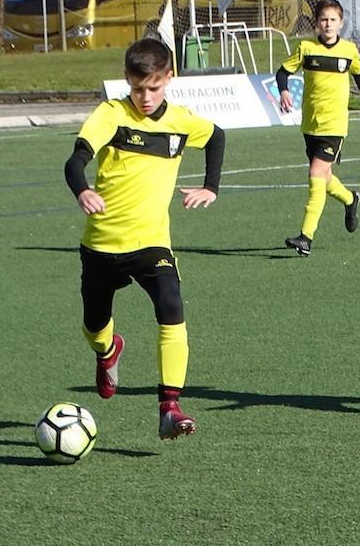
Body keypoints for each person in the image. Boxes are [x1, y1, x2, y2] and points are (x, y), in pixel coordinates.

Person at [63, 38, 225, 439]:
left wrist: (211, 187)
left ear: (169, 78)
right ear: (127, 81)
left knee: (172, 307)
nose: (145, 97)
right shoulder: (111, 114)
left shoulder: (182, 122)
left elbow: (217, 136)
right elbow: (76, 158)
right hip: (102, 244)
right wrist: (83, 189)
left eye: (153, 87)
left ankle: (169, 407)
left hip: (152, 243)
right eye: (138, 88)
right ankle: (108, 350)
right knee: (94, 325)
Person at [276, 0, 360, 256]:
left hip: (335, 126)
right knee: (324, 177)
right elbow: (282, 72)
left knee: (315, 174)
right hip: (311, 124)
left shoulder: (348, 50)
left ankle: (306, 236)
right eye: (324, 20)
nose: (328, 24)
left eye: (333, 20)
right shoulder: (306, 47)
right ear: (316, 24)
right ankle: (350, 199)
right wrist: (284, 91)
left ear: (341, 23)